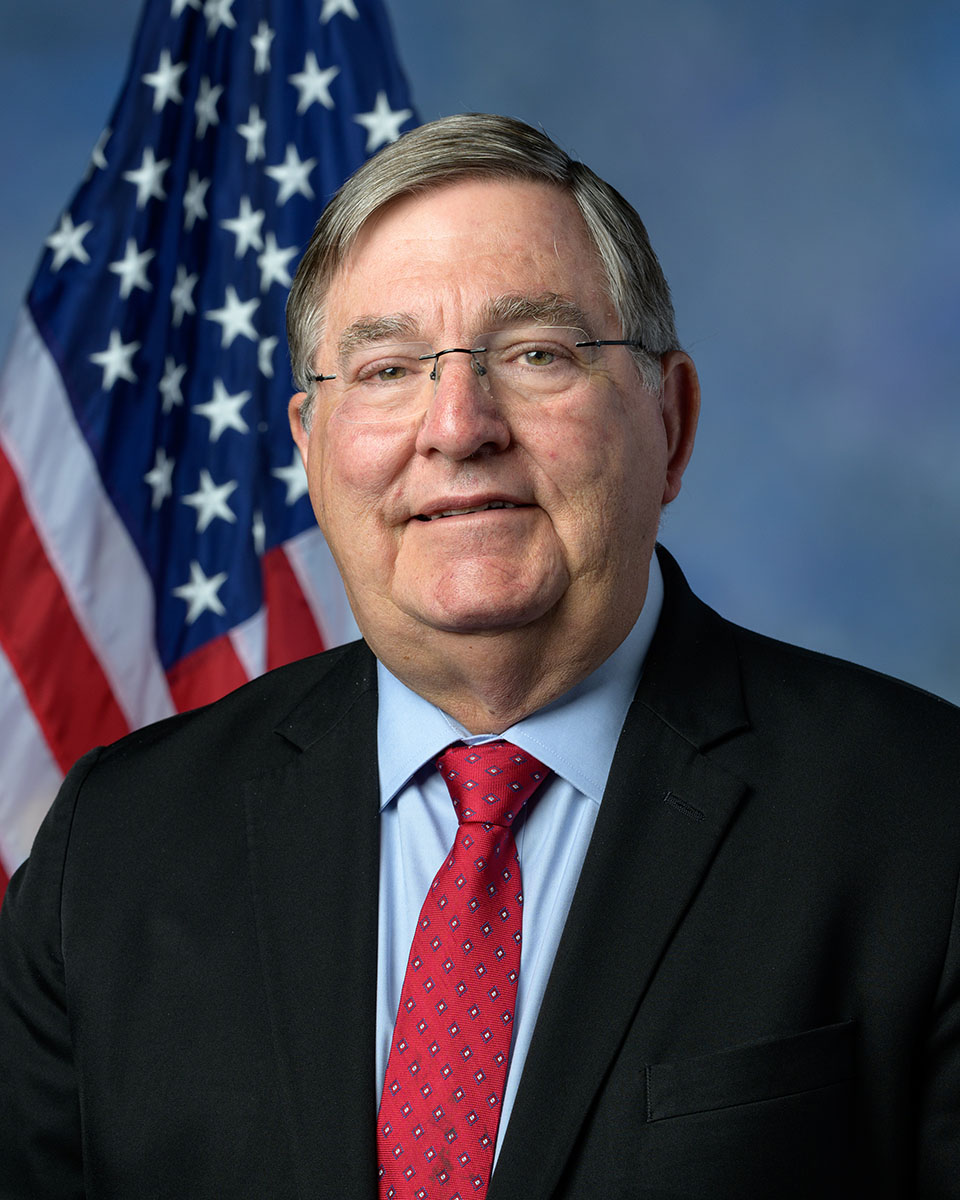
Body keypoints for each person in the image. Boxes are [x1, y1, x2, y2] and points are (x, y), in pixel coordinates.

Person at [0, 113, 958, 1200]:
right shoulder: (114, 850)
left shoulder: (926, 824)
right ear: (312, 451)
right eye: (388, 367)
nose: (459, 425)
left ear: (671, 425)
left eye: (536, 353)